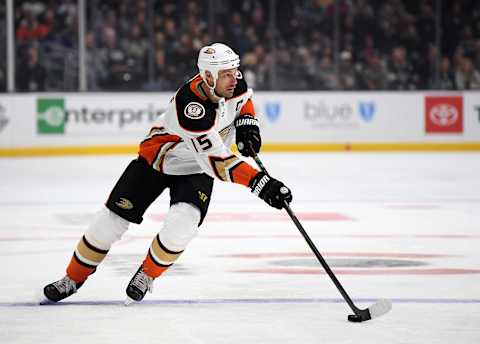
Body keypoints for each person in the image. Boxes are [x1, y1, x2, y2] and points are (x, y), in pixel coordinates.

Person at [41, 43, 293, 305]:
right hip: (157, 161)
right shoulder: (190, 106)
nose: (234, 79)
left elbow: (244, 101)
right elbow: (218, 161)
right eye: (226, 74)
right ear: (208, 77)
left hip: (194, 168)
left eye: (235, 71)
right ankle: (72, 278)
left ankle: (147, 274)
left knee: (183, 225)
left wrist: (247, 123)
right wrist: (260, 183)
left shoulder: (233, 83)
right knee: (108, 223)